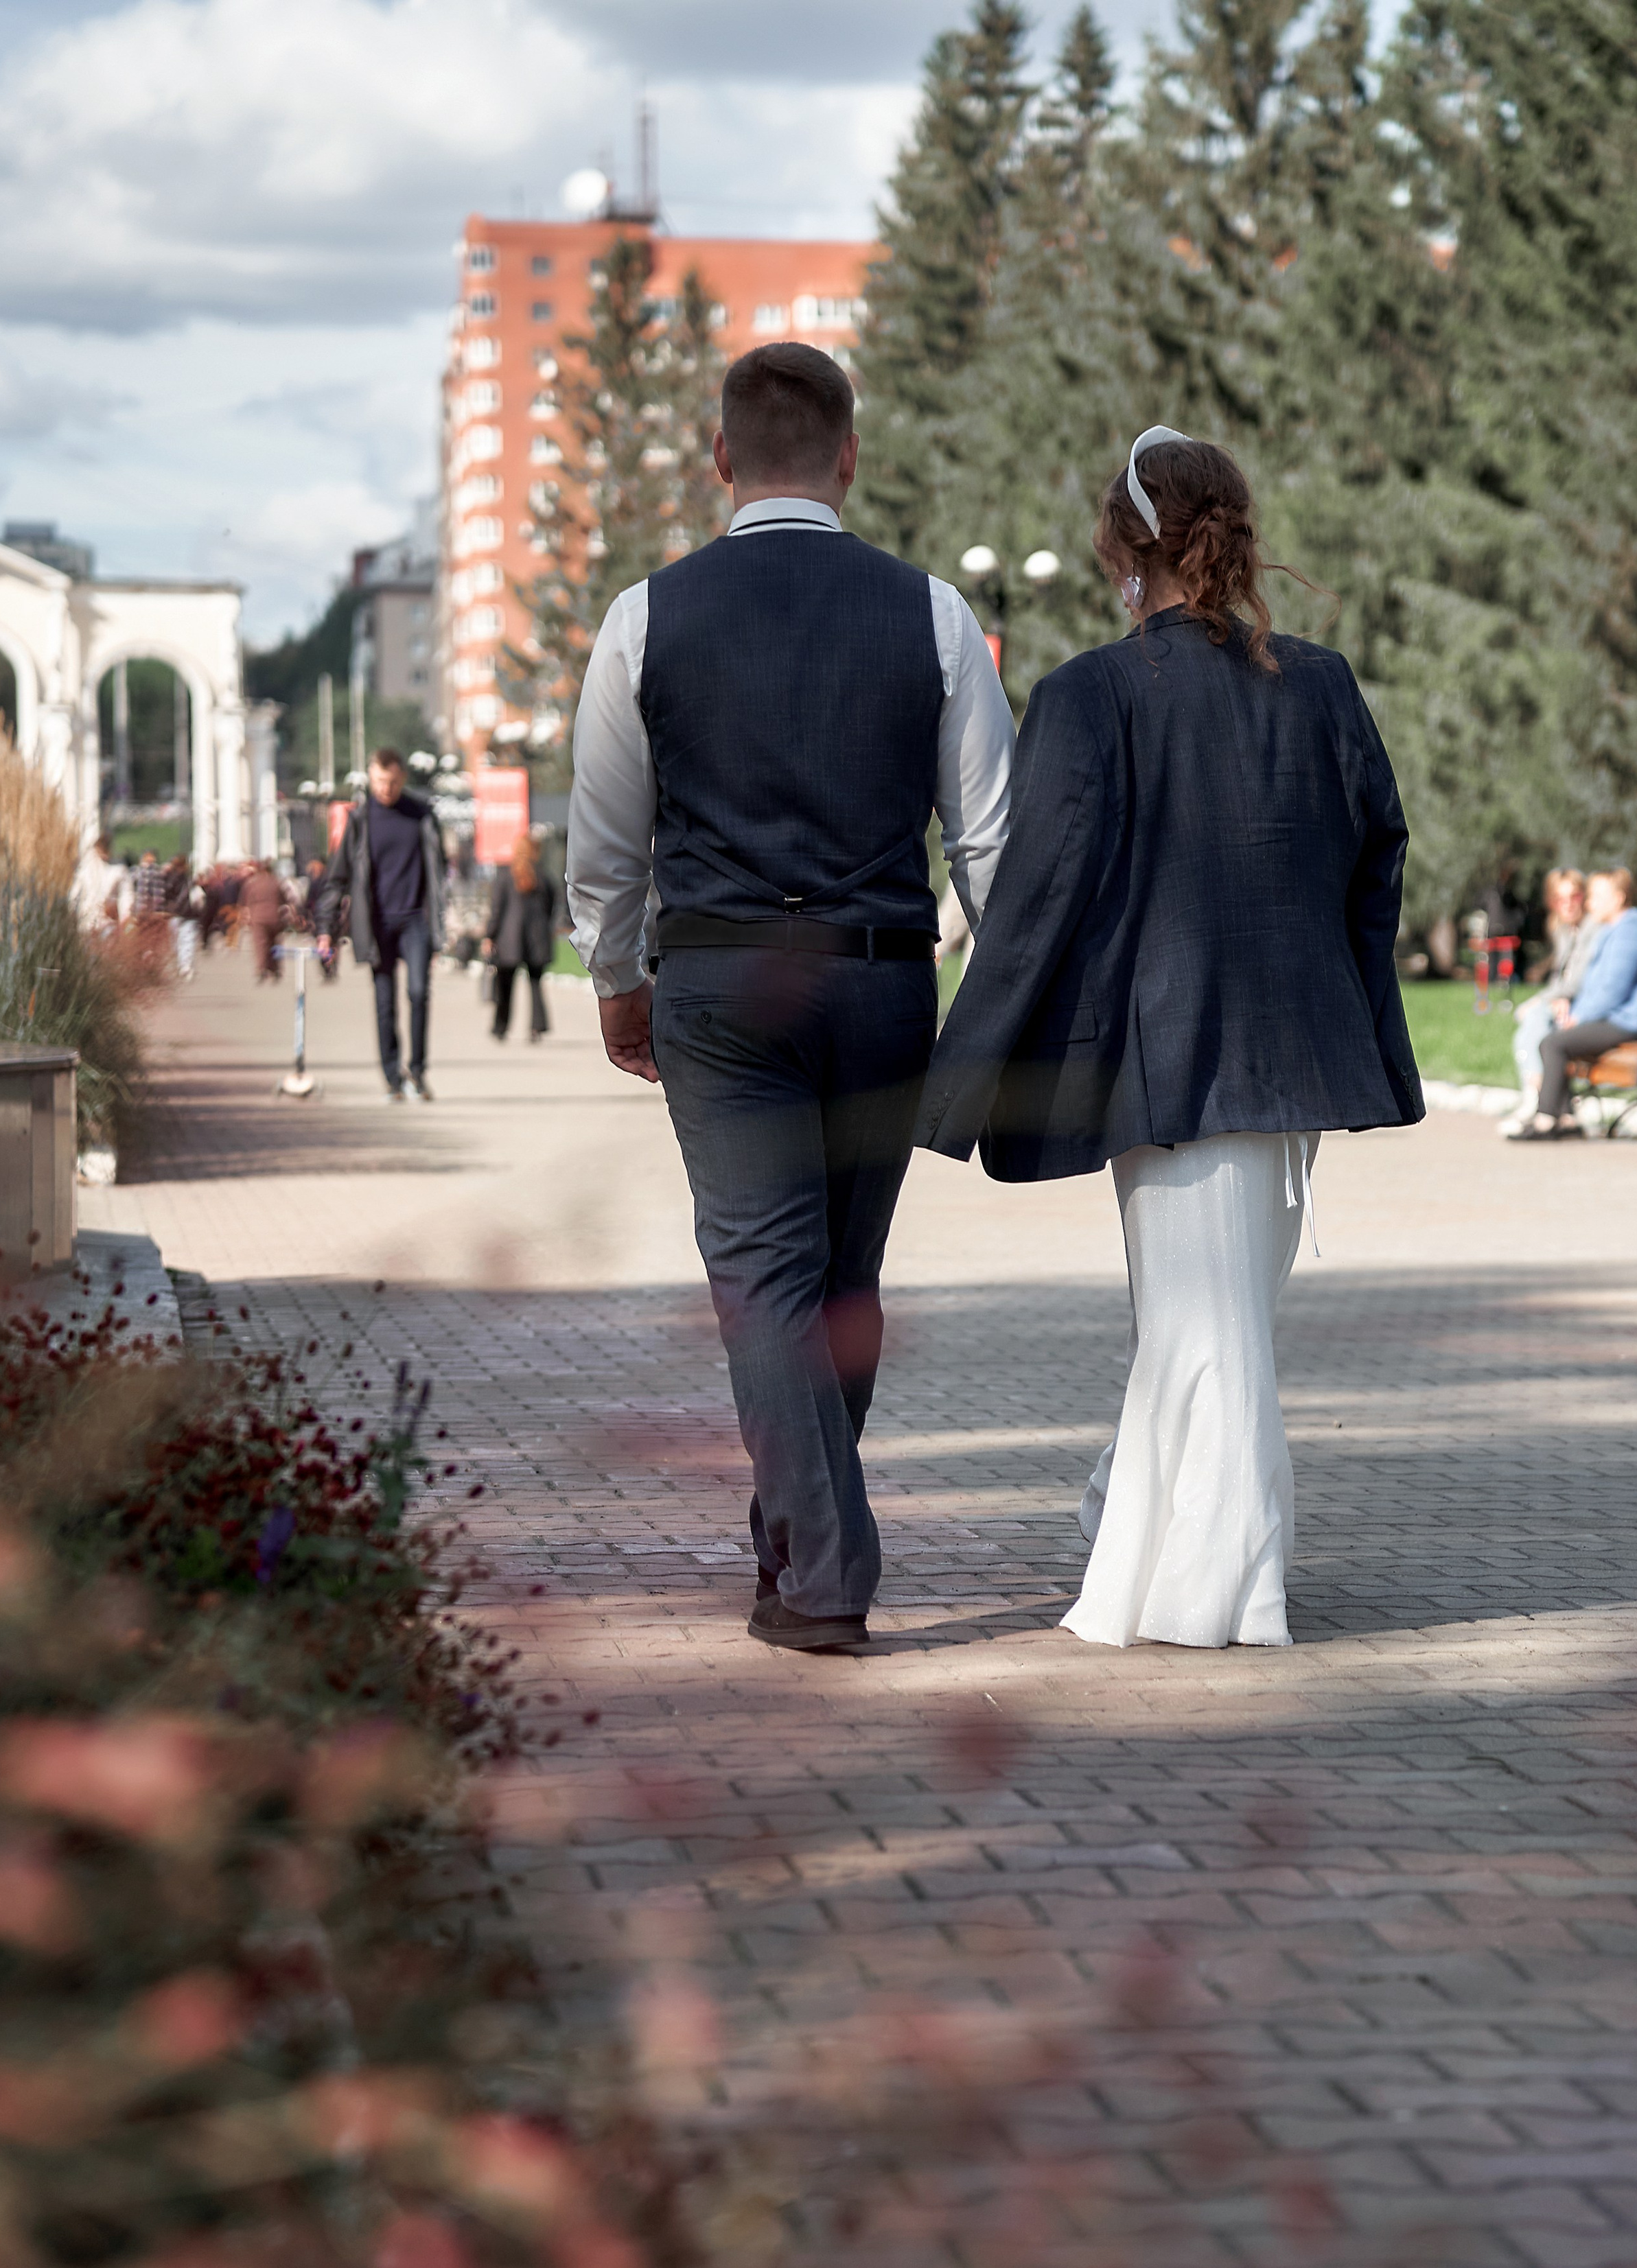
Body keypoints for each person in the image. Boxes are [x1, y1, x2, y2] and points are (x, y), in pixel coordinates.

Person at [917, 429, 1422, 1652]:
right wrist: (1354, 1024)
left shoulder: (1090, 694)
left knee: (1207, 1327)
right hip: (1295, 1057)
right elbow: (1377, 860)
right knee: (1216, 1323)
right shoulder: (1322, 682)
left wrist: (958, 1078)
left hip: (1167, 1057)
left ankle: (1222, 1592)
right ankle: (1147, 1543)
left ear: (1120, 551)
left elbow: (1037, 899)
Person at [566, 341, 1014, 1654]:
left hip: (720, 983)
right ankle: (799, 1554)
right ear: (849, 458)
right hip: (882, 985)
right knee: (838, 1285)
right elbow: (990, 843)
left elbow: (606, 842)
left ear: (720, 459)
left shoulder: (646, 617)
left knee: (767, 1283)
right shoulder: (934, 614)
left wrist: (616, 982)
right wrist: (1001, 996)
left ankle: (822, 1571)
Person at [314, 748, 446, 1102]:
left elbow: (439, 873)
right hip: (377, 926)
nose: (385, 789)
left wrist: (439, 925)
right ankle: (392, 1077)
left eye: (392, 782)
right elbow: (337, 878)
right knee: (385, 1003)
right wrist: (325, 928)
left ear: (402, 778)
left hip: (416, 921)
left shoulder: (422, 815)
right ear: (371, 779)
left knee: (419, 993)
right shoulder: (360, 820)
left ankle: (417, 1072)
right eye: (379, 782)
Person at [1506, 865, 1637, 1141]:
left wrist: (1579, 1017)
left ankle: (1546, 1119)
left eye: (1595, 897)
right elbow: (1596, 986)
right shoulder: (1614, 930)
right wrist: (1577, 1012)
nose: (1589, 903)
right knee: (1556, 1036)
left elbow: (1613, 990)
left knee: (1554, 1043)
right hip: (1617, 1017)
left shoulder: (1633, 932)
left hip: (1630, 1021)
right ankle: (1567, 1118)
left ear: (1618, 898)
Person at [1504, 869, 1594, 1127]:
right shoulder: (1563, 930)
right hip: (1566, 1001)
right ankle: (1547, 1102)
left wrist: (1545, 999)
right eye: (1559, 899)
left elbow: (1579, 981)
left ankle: (1535, 1097)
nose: (1568, 905)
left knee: (1534, 1020)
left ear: (1584, 897)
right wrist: (1553, 998)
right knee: (1534, 1023)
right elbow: (1561, 980)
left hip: (1584, 1006)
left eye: (1574, 897)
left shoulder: (1593, 930)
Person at [484, 827, 555, 1040]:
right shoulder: (544, 877)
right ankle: (537, 1027)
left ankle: (501, 1027)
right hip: (537, 940)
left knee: (505, 985)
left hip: (510, 940)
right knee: (536, 984)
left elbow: (497, 909)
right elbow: (550, 907)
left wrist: (490, 935)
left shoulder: (505, 876)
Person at [241, 858, 286, 983]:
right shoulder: (276, 882)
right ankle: (275, 969)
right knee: (275, 943)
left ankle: (261, 969)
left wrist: (247, 916)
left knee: (260, 944)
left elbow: (246, 901)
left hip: (258, 917)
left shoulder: (253, 883)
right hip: (275, 917)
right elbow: (284, 899)